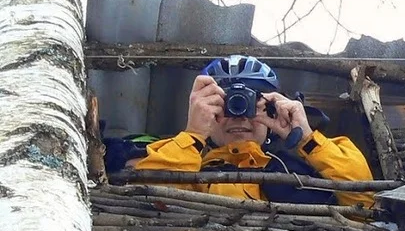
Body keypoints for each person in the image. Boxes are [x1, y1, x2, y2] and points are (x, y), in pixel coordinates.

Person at [133, 55, 374, 207]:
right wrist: (194, 133)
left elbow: (365, 201)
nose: (237, 114)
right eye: (224, 104)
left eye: (250, 103)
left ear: (271, 105)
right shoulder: (181, 158)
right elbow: (146, 204)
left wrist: (308, 139)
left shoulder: (296, 170)